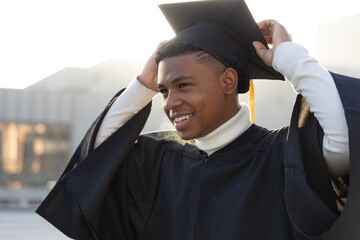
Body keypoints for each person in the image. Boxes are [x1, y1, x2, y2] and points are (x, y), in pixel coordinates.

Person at [37, 0, 360, 239]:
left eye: (184, 85)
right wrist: (141, 86)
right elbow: (92, 164)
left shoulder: (284, 154)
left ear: (228, 82)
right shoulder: (157, 160)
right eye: (163, 90)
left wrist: (290, 57)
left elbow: (346, 134)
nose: (170, 102)